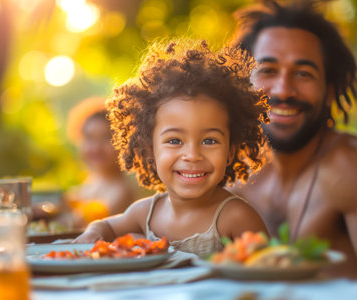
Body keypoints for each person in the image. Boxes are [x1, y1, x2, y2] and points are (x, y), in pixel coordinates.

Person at [228, 1, 357, 278]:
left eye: (304, 73)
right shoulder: (231, 172)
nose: (284, 90)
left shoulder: (355, 170)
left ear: (330, 91)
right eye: (268, 70)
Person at [74, 39, 268, 257]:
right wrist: (92, 234)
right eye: (175, 141)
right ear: (149, 149)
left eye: (209, 141)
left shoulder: (236, 217)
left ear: (231, 151)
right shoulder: (146, 212)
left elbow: (266, 272)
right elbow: (104, 227)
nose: (192, 155)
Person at [65, 97, 138, 226]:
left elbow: (85, 223)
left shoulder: (121, 191)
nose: (96, 148)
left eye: (106, 138)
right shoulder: (91, 182)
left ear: (123, 143)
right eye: (89, 138)